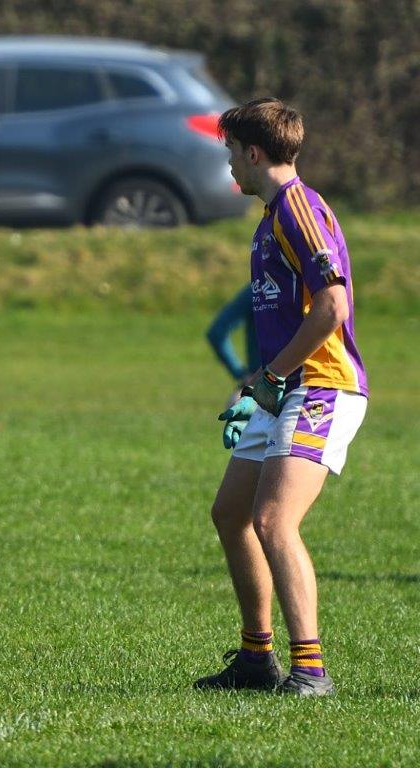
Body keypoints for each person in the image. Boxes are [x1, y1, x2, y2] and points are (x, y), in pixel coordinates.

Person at [195, 98, 367, 696]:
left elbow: (332, 307)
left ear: (253, 152)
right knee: (230, 514)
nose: (229, 170)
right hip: (284, 386)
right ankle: (254, 659)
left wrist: (271, 380)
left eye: (230, 155)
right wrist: (256, 387)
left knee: (273, 520)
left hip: (323, 387)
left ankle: (311, 669)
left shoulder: (298, 210)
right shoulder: (271, 216)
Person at [206, 282, 259, 388]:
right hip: (298, 384)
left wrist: (241, 374)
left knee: (237, 403)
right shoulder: (298, 288)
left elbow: (217, 332)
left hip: (259, 383)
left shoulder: (258, 288)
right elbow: (217, 332)